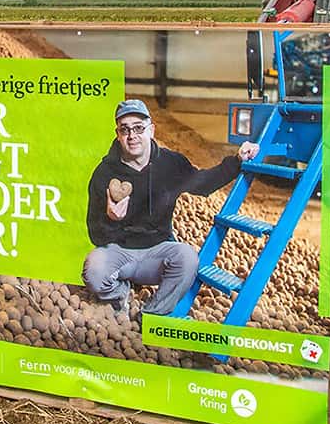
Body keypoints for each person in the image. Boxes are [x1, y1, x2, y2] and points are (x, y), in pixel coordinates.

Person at [83, 99, 259, 317]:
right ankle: (121, 296)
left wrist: (237, 161)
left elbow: (203, 183)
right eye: (125, 129)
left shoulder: (170, 164)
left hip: (158, 251)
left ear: (152, 130)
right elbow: (95, 233)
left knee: (187, 258)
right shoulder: (104, 173)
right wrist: (111, 219)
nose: (132, 135)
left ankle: (151, 316)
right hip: (121, 253)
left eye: (139, 128)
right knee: (94, 269)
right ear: (118, 134)